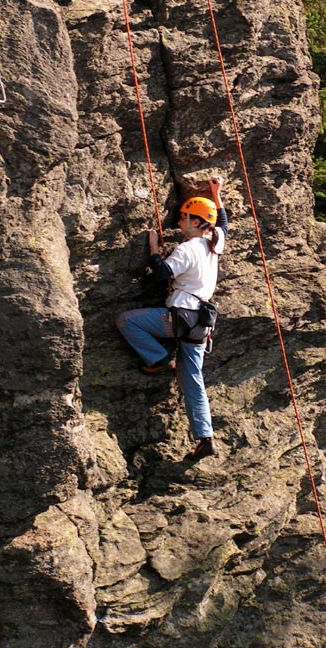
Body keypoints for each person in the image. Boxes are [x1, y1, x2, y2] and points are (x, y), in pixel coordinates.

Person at [116, 176, 227, 461]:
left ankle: (160, 358)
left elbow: (162, 273)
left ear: (196, 222)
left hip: (179, 317)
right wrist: (217, 194)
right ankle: (205, 438)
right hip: (201, 325)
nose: (180, 222)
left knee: (128, 320)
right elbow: (223, 222)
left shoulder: (188, 249)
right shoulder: (214, 243)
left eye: (184, 218)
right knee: (193, 380)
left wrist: (154, 247)